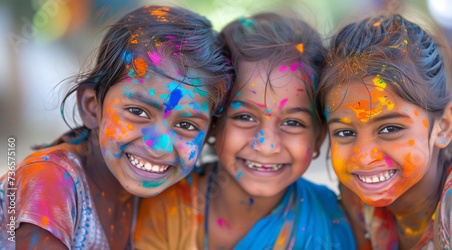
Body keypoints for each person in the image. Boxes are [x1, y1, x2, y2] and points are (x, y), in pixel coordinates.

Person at [0, 5, 232, 249]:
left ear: (207, 136)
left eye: (186, 125)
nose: (159, 146)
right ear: (91, 107)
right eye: (138, 112)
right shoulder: (50, 181)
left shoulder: (159, 195)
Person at [134, 13, 356, 249]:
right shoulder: (167, 204)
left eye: (293, 123)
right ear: (212, 124)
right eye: (245, 117)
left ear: (319, 137)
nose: (267, 145)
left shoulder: (331, 223)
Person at [317, 14, 452, 249]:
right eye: (344, 133)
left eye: (390, 128)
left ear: (444, 126)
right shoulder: (359, 197)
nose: (363, 157)